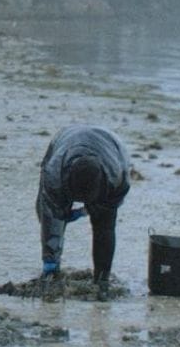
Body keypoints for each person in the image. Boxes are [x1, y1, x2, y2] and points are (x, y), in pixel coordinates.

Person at [36, 125, 131, 294]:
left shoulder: (117, 177)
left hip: (110, 144)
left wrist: (89, 210)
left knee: (104, 225)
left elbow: (108, 217)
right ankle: (52, 270)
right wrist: (50, 258)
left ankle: (102, 279)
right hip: (65, 139)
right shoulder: (54, 175)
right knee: (49, 216)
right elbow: (51, 215)